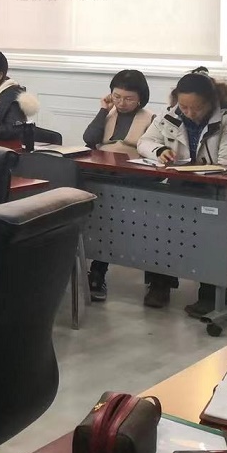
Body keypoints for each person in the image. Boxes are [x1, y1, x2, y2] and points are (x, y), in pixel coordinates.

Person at [137, 68, 227, 315]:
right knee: (157, 221)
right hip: (185, 189)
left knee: (207, 224)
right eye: (184, 107)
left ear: (211, 102)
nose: (189, 113)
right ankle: (160, 284)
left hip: (226, 194)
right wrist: (159, 151)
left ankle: (212, 294)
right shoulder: (170, 115)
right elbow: (145, 141)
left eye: (196, 108)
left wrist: (190, 170)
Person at [83, 69, 155, 303]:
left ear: (141, 98)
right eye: (116, 96)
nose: (121, 103)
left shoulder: (151, 119)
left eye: (129, 98)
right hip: (103, 175)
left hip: (131, 179)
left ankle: (156, 280)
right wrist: (103, 109)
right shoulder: (109, 113)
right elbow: (89, 139)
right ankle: (94, 270)